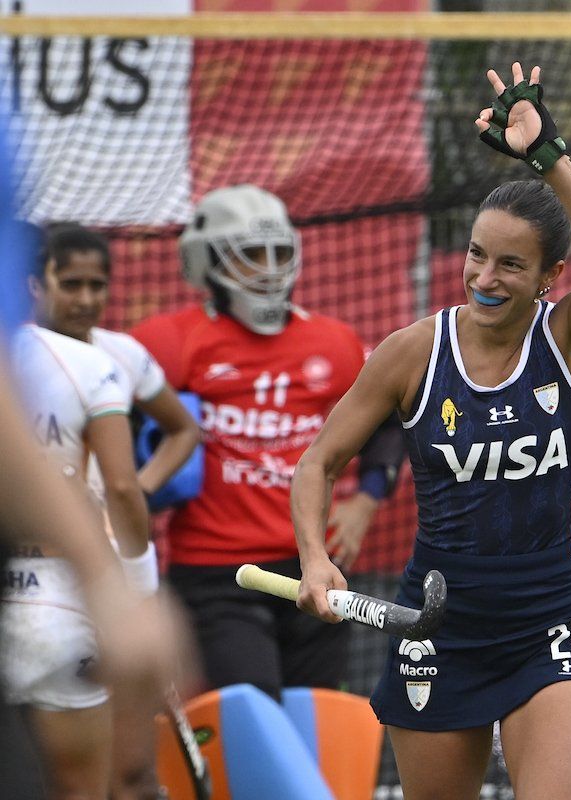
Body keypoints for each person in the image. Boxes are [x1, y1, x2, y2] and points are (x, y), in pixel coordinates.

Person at [290, 62, 571, 800]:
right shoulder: (413, 351)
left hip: (550, 617)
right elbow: (318, 462)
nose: (485, 276)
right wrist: (315, 559)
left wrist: (549, 155)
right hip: (437, 621)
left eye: (511, 264)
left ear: (549, 277)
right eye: (478, 254)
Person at [130, 182, 403, 700]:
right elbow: (113, 426)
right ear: (206, 260)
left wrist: (367, 500)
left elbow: (389, 422)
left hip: (313, 566)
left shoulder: (334, 342)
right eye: (251, 254)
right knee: (251, 714)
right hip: (217, 575)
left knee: (318, 720)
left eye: (279, 252)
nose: (269, 268)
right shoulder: (168, 341)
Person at [31, 221, 202, 800]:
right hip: (55, 583)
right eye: (70, 283)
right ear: (35, 284)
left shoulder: (120, 356)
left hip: (113, 576)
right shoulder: (21, 364)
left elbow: (183, 431)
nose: (85, 299)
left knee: (128, 767)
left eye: (96, 284)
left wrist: (136, 490)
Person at [3, 222, 157, 799]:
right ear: (32, 282)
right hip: (58, 604)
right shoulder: (87, 365)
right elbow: (121, 487)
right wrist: (138, 586)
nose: (85, 298)